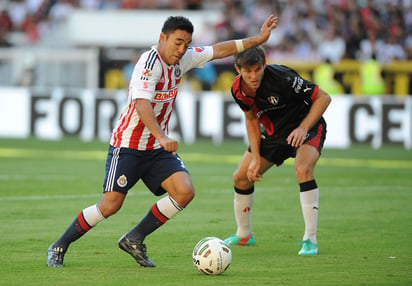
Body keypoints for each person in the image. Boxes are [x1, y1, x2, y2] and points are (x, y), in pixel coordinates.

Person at [47, 14, 278, 268]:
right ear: (163, 38)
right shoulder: (148, 63)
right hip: (128, 146)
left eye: (186, 44)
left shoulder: (184, 58)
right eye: (177, 42)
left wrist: (258, 39)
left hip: (156, 148)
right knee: (110, 205)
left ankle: (134, 238)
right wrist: (162, 135)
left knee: (184, 191)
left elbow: (218, 49)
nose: (181, 50)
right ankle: (59, 245)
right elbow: (142, 104)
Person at [223, 46, 331, 255]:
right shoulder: (237, 90)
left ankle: (310, 240)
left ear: (264, 65)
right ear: (238, 69)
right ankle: (244, 234)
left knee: (303, 169)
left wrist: (303, 128)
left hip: (306, 126)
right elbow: (252, 119)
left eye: (257, 69)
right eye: (248, 71)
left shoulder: (282, 77)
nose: (253, 76)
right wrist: (255, 157)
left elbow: (324, 98)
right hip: (274, 134)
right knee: (241, 177)